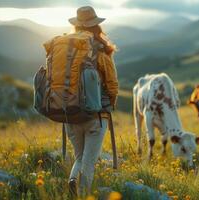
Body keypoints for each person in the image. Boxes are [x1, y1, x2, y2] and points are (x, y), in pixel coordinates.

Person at [65, 6, 118, 197]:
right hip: (96, 115)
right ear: (96, 26)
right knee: (88, 162)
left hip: (70, 114)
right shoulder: (101, 51)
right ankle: (81, 194)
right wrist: (110, 104)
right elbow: (112, 84)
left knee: (79, 157)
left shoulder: (66, 51)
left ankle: (72, 182)